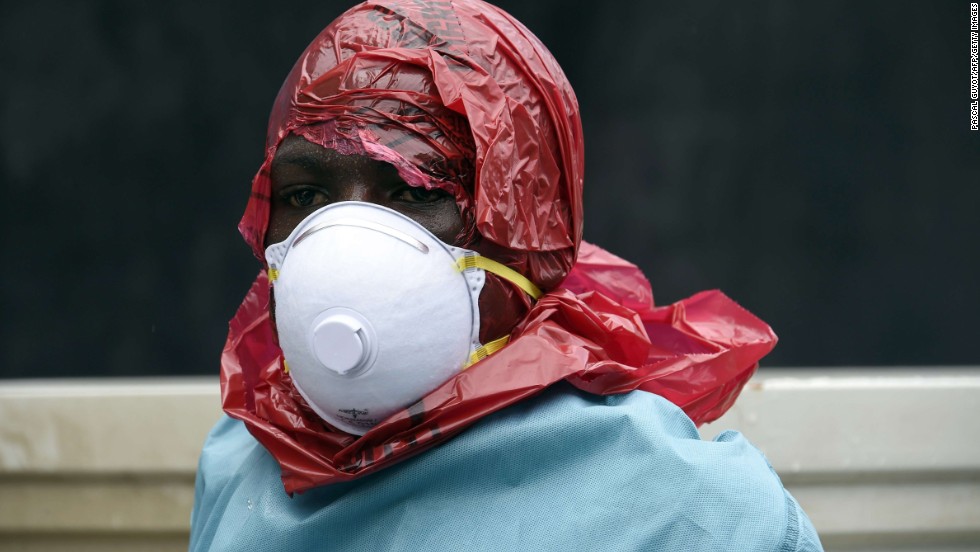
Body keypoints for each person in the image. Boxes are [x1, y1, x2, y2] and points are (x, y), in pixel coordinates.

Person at [189, 0, 823, 549]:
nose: (343, 244)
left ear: (527, 232)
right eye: (304, 196)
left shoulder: (687, 513)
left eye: (413, 190)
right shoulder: (244, 461)